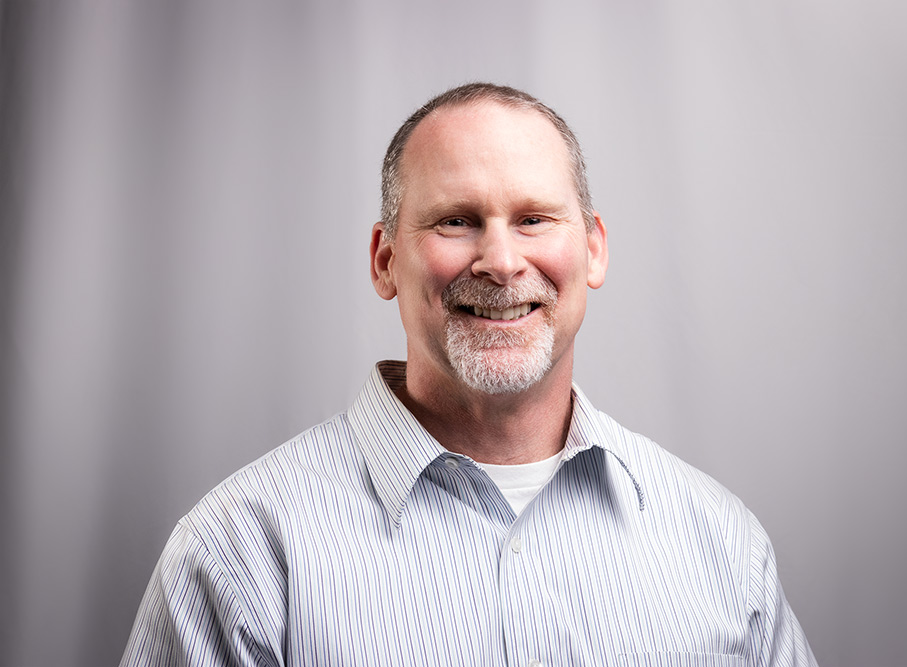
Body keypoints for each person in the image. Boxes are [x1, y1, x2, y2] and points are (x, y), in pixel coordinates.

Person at [121, 83, 817, 666]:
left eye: (533, 218)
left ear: (594, 250)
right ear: (385, 261)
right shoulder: (239, 554)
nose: (502, 262)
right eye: (456, 221)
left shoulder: (723, 544)